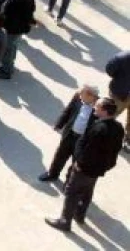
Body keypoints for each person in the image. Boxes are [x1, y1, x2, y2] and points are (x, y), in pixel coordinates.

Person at [44, 97, 125, 232]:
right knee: (87, 192)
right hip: (97, 170)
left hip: (84, 169)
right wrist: (106, 166)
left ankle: (65, 221)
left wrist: (78, 164)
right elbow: (115, 150)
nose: (94, 108)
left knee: (72, 193)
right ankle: (79, 215)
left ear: (104, 111)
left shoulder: (99, 129)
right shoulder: (118, 127)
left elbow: (88, 151)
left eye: (98, 107)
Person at [39, 83, 101, 182]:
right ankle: (52, 174)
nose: (79, 94)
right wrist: (59, 124)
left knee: (76, 162)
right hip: (70, 134)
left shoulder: (100, 107)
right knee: (60, 156)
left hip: (82, 140)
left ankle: (69, 182)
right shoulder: (77, 97)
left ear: (90, 95)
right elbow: (68, 111)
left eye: (82, 93)